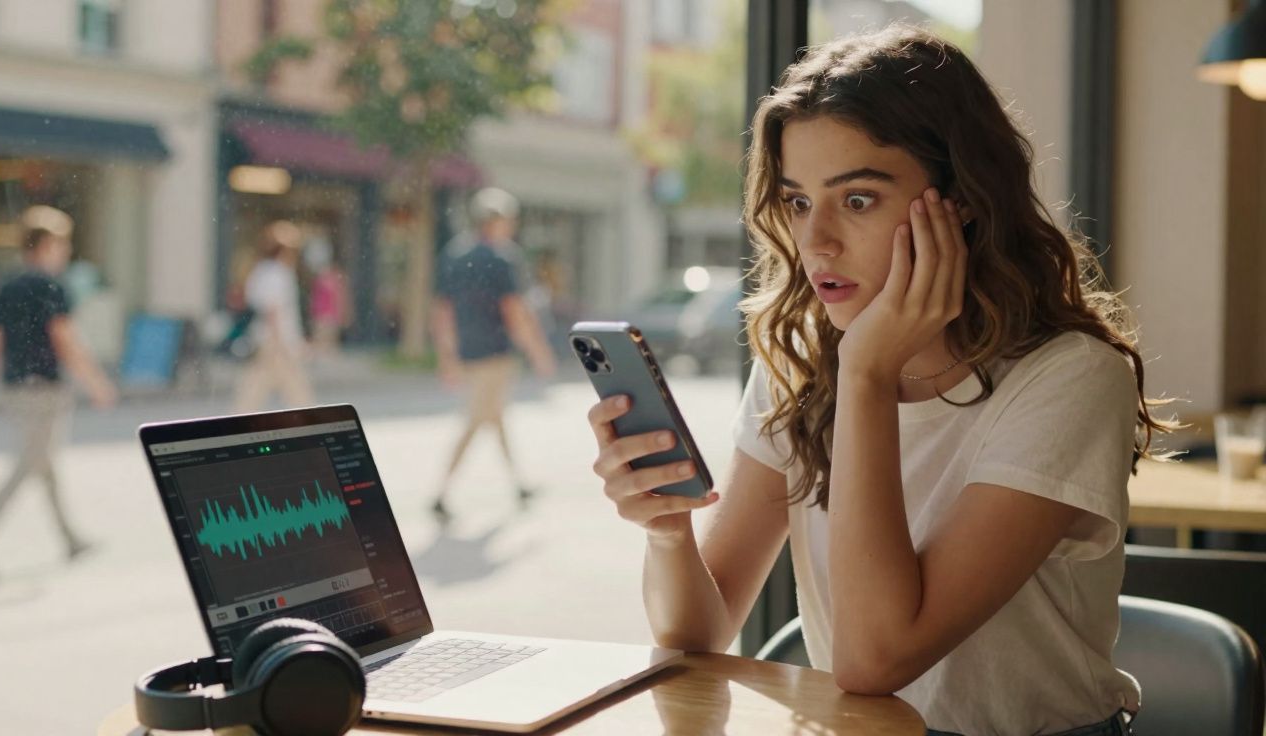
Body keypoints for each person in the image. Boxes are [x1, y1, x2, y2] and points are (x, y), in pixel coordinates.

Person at [583, 26, 1174, 736]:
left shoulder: (1070, 378)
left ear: (963, 199)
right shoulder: (803, 360)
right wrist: (668, 531)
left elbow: (875, 658)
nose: (816, 241)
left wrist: (865, 373)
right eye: (799, 202)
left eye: (857, 199)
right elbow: (698, 638)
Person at [0, 205, 118, 577]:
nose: (66, 252)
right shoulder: (52, 286)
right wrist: (97, 383)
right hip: (45, 389)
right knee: (30, 464)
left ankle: (70, 539)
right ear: (47, 245)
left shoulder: (7, 285)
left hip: (15, 388)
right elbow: (66, 340)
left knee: (44, 465)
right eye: (63, 244)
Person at [431, 187, 557, 519]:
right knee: (476, 420)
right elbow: (514, 309)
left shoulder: (454, 254)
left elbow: (443, 310)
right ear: (497, 221)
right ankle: (441, 494)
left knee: (496, 418)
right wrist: (538, 350)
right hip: (496, 354)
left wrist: (447, 357)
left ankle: (518, 484)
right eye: (509, 219)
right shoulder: (504, 258)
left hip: (468, 353)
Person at [233, 220, 315, 412]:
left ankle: (238, 420)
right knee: (295, 388)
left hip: (263, 337)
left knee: (257, 385)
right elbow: (274, 312)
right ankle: (311, 421)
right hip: (275, 340)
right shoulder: (278, 274)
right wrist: (284, 343)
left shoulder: (260, 271)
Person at [304, 235, 352, 356]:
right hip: (320, 316)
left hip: (329, 316)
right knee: (322, 346)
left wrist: (343, 314)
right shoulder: (318, 276)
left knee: (327, 346)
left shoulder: (335, 276)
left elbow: (341, 297)